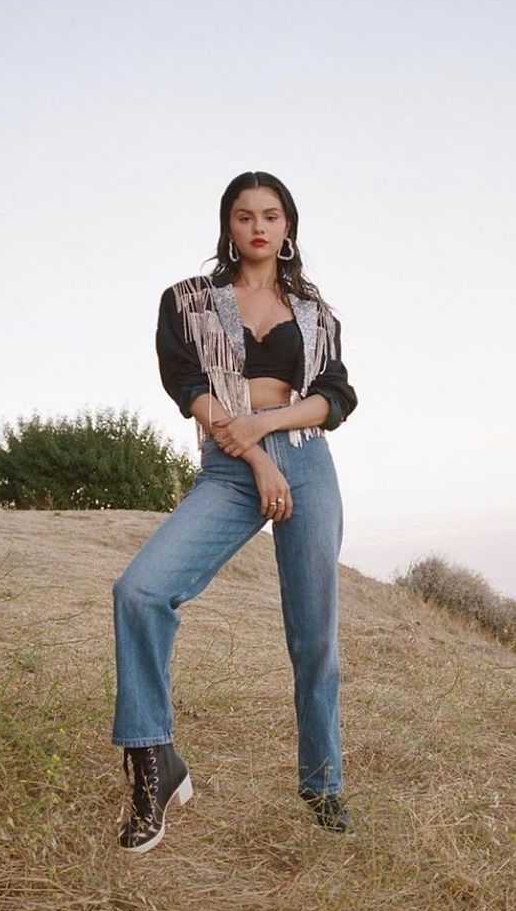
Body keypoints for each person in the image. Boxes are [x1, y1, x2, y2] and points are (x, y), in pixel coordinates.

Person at [111, 170, 358, 853]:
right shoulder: (188, 301)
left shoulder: (316, 311)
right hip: (230, 462)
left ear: (287, 228)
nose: (258, 226)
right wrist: (252, 450)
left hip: (306, 461)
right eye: (244, 215)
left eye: (271, 215)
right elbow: (183, 382)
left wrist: (270, 428)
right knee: (140, 590)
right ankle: (153, 764)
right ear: (228, 225)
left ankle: (322, 783)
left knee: (315, 638)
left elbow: (337, 396)